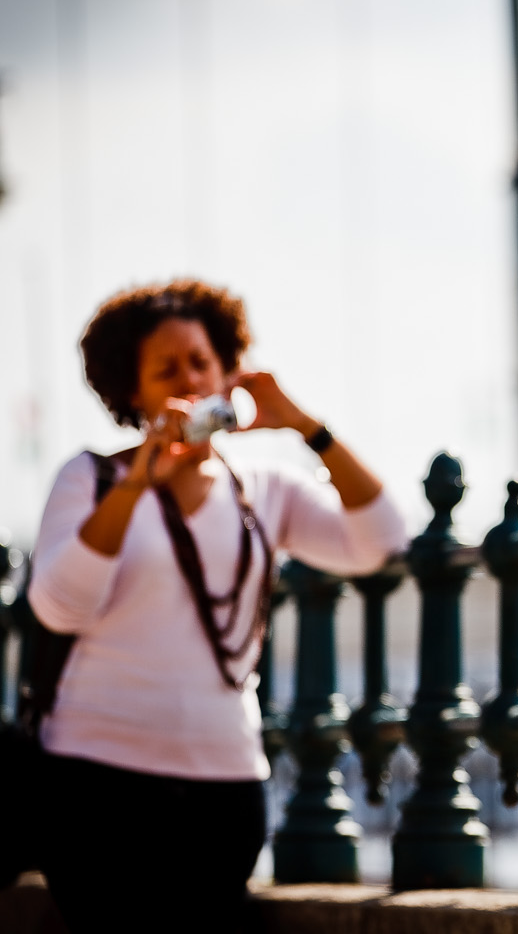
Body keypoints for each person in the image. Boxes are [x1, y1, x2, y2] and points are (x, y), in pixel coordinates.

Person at [25, 280, 407, 933]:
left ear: (226, 370)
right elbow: (60, 606)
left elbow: (380, 540)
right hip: (96, 787)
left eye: (201, 362)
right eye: (166, 370)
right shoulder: (90, 479)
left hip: (223, 789)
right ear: (132, 389)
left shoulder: (262, 488)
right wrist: (140, 484)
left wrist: (304, 426)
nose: (190, 380)